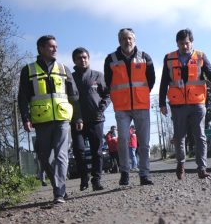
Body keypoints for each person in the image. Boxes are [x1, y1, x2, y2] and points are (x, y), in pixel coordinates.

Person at [18, 35, 78, 204]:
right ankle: (58, 186)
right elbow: (23, 97)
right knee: (44, 157)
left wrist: (77, 117)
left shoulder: (64, 69)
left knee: (61, 154)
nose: (55, 49)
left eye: (56, 46)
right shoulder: (28, 70)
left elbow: (74, 96)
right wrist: (25, 117)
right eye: (51, 46)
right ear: (41, 48)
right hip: (41, 119)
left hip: (62, 118)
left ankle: (59, 192)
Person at [159, 28, 211, 180]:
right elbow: (164, 82)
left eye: (187, 43)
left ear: (192, 42)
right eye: (181, 44)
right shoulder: (169, 58)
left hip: (197, 102)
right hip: (178, 104)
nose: (184, 46)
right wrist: (162, 104)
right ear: (177, 44)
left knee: (200, 135)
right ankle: (181, 163)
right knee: (179, 137)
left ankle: (202, 168)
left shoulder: (200, 56)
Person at [103, 28, 156, 186]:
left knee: (144, 142)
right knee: (123, 140)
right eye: (124, 39)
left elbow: (151, 80)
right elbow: (108, 82)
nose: (127, 41)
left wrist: (141, 93)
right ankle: (125, 172)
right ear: (119, 41)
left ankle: (144, 174)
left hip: (141, 104)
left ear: (135, 40)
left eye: (130, 38)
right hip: (122, 107)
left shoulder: (145, 57)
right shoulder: (111, 59)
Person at [70, 47, 110, 191]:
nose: (83, 60)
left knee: (97, 151)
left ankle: (96, 179)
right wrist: (75, 116)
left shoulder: (98, 76)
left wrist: (102, 106)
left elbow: (107, 94)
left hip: (96, 119)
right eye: (79, 58)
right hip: (77, 121)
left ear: (89, 58)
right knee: (79, 151)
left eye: (85, 57)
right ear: (74, 60)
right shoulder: (70, 78)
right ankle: (84, 178)